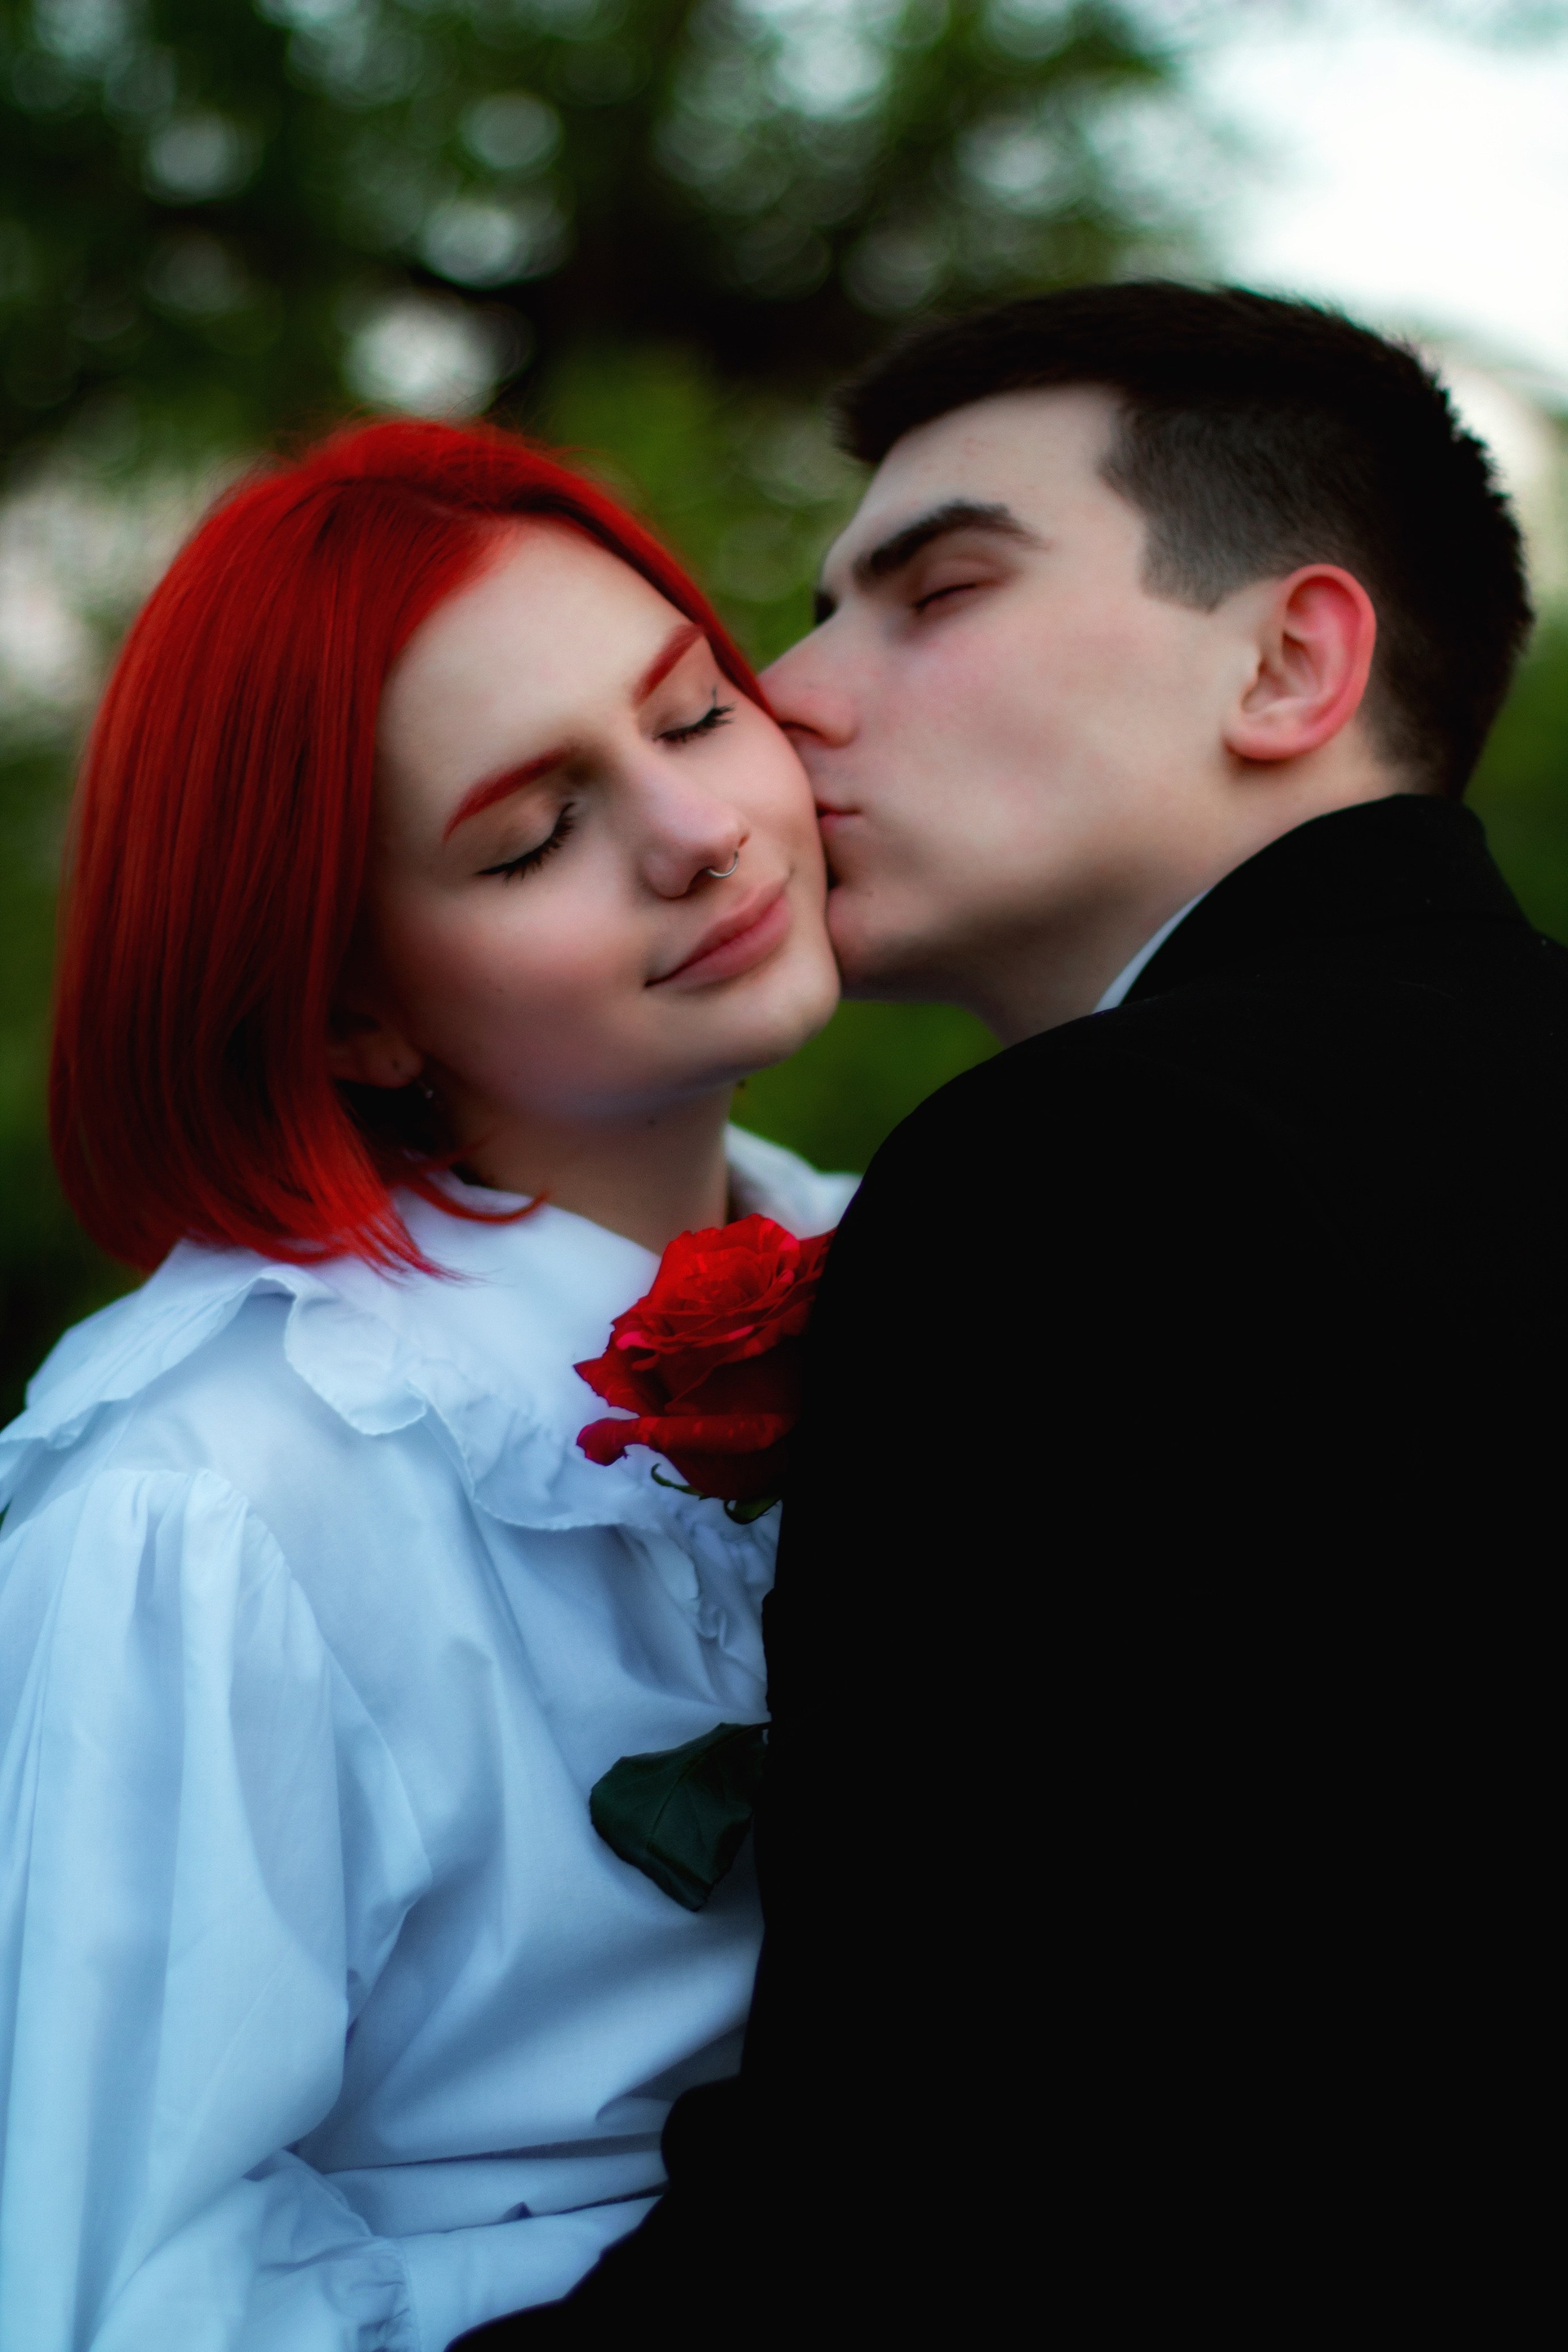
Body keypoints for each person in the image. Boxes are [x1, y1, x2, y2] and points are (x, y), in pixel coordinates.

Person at [482, 284, 1562, 2341]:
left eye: (938, 592)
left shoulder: (1085, 1169)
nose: (788, 695)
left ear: (1289, 661)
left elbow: (932, 2174)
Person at [0, 418, 849, 2349]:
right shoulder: (217, 1493)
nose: (702, 831)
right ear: (352, 1013)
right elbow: (110, 2287)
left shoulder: (927, 1265)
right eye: (532, 834)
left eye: (698, 713)